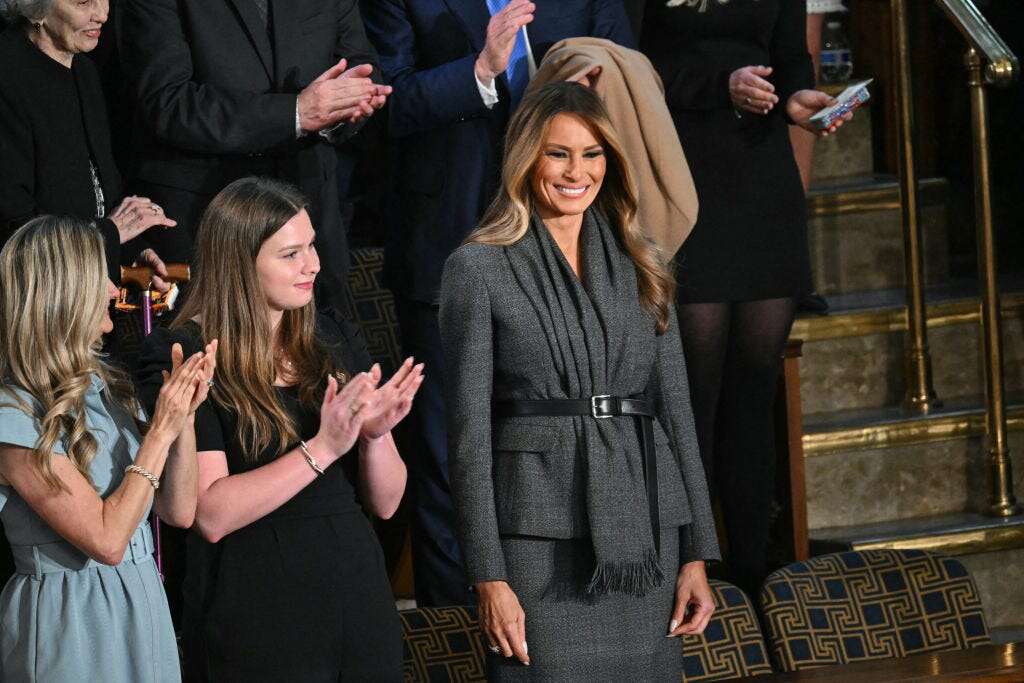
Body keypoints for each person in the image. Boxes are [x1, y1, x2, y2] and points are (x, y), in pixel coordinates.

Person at [440, 82, 719, 680]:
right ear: (525, 158)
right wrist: (487, 573)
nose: (578, 171)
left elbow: (676, 414)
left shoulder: (645, 260)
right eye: (558, 152)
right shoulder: (478, 267)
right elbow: (466, 435)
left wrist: (697, 552)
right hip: (538, 539)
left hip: (648, 535)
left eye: (593, 153)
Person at [361, 0, 635, 608]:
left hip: (569, 253)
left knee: (564, 437)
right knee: (449, 454)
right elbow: (385, 103)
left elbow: (628, 75)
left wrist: (587, 91)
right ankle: (457, 634)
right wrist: (481, 69)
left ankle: (564, 619)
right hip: (448, 239)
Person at [136, 177, 419, 682]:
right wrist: (324, 447)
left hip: (353, 589)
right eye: (291, 254)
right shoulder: (188, 351)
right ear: (240, 263)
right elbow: (211, 514)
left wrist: (375, 436)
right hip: (255, 605)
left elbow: (388, 502)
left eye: (311, 246)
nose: (312, 264)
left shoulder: (329, 334)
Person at [639, 0, 854, 594]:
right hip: (685, 172)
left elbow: (790, 58)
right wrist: (720, 85)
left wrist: (795, 101)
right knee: (696, 387)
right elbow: (636, 67)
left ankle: (754, 576)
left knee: (756, 387)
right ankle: (692, 570)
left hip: (762, 179)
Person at [0, 215, 214, 682]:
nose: (114, 287)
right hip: (71, 622)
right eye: (103, 272)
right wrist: (159, 432)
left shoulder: (108, 385)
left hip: (142, 605)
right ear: (67, 288)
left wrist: (185, 415)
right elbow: (107, 539)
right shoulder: (12, 413)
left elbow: (178, 511)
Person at [120, 0, 391, 315]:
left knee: (328, 350)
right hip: (202, 219)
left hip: (309, 203)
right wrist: (295, 114)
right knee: (197, 354)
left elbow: (360, 68)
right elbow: (167, 102)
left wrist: (343, 108)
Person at [0, 0, 176, 286]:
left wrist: (130, 249)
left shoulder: (85, 71)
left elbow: (99, 189)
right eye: (83, 2)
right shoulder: (7, 77)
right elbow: (15, 232)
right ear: (35, 8)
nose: (103, 14)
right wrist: (109, 234)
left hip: (85, 283)